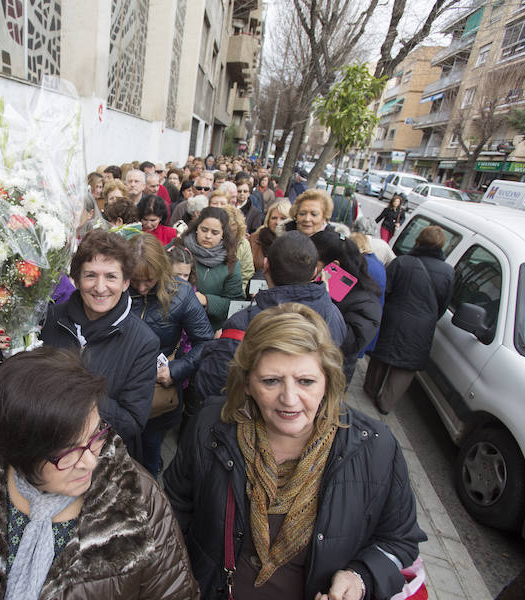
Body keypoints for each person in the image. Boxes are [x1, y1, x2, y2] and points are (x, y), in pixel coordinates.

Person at [164, 304, 426, 600]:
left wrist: (360, 578)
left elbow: (399, 541)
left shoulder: (375, 448)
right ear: (248, 383)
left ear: (327, 382)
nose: (289, 399)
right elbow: (174, 510)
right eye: (271, 381)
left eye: (306, 381)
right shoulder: (212, 426)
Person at [0, 347, 199, 599]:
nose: (90, 462)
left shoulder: (139, 500)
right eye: (68, 453)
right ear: (17, 452)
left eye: (96, 435)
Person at [40, 230, 158, 459]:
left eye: (111, 277)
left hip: (100, 458)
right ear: (76, 280)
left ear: (125, 283)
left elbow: (131, 424)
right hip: (46, 444)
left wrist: (79, 390)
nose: (100, 287)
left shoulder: (143, 342)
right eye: (91, 275)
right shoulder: (51, 319)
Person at [193, 232, 346, 401]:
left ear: (265, 266)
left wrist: (215, 344)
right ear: (314, 273)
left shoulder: (244, 324)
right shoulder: (335, 315)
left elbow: (208, 386)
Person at [128, 234, 214, 476]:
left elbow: (205, 342)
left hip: (158, 390)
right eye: (135, 280)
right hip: (121, 389)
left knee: (150, 450)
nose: (142, 287)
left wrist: (176, 370)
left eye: (149, 281)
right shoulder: (118, 288)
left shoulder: (182, 294)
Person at [364, 225, 454, 414]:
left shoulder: (402, 262)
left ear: (418, 241)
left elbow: (385, 290)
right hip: (423, 325)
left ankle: (370, 389)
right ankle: (385, 403)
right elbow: (443, 304)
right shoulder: (448, 272)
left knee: (381, 356)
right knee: (405, 367)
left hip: (393, 317)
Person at [311, 230, 383, 383]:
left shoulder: (366, 302)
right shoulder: (313, 283)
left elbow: (350, 343)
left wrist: (324, 301)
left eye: (312, 261)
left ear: (333, 266)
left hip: (331, 376)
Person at [171, 206, 244, 332]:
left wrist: (207, 300)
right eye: (204, 230)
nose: (208, 236)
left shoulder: (230, 263)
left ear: (223, 235)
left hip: (208, 329)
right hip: (171, 323)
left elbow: (235, 304)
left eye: (215, 233)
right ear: (196, 229)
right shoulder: (178, 246)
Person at [249, 200, 291, 273]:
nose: (277, 222)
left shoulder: (297, 242)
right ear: (268, 220)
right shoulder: (254, 239)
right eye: (274, 218)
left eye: (283, 218)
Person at [223, 205, 255, 292]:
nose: (229, 235)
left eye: (233, 231)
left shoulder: (243, 244)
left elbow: (246, 274)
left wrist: (238, 295)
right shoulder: (212, 241)